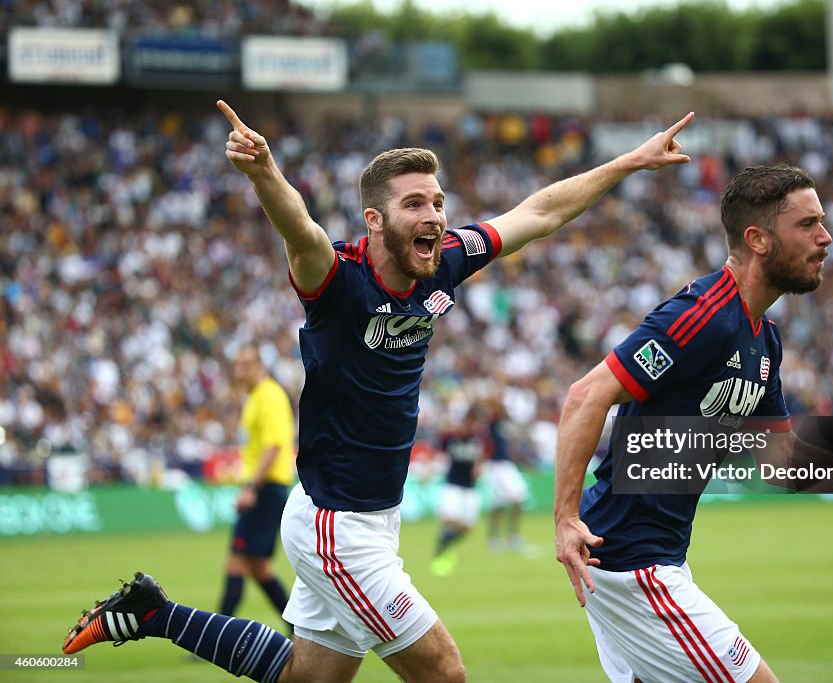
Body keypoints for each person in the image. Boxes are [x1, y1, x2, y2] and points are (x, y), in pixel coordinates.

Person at [62, 102, 698, 683]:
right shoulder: (337, 279)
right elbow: (301, 231)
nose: (435, 217)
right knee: (445, 674)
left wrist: (632, 161)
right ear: (375, 219)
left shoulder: (445, 258)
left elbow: (540, 212)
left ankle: (153, 614)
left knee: (305, 679)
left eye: (438, 202)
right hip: (337, 527)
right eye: (415, 204)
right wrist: (263, 175)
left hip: (370, 516)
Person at [553, 163, 833, 683]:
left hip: (648, 557)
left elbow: (782, 461)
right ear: (758, 240)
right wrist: (565, 520)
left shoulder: (763, 338)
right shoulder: (702, 314)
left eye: (823, 222)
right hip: (632, 561)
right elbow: (586, 396)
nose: (826, 237)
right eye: (808, 224)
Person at [218, 344, 295, 627]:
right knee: (258, 567)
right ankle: (296, 628)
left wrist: (251, 486)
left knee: (238, 561)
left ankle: (216, 635)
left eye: (245, 365)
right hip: (264, 488)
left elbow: (274, 445)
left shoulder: (269, 396)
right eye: (237, 365)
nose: (239, 371)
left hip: (265, 488)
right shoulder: (254, 397)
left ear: (259, 365)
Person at [429, 407, 490, 577]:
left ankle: (445, 542)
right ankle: (442, 548)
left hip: (470, 489)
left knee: (468, 527)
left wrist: (479, 468)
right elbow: (437, 449)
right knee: (450, 517)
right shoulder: (451, 438)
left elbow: (482, 458)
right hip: (453, 486)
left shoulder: (478, 440)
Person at [480, 397, 530, 552]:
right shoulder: (487, 425)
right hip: (493, 465)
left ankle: (512, 536)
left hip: (506, 464)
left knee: (518, 498)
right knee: (498, 502)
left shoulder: (501, 422)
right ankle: (493, 537)